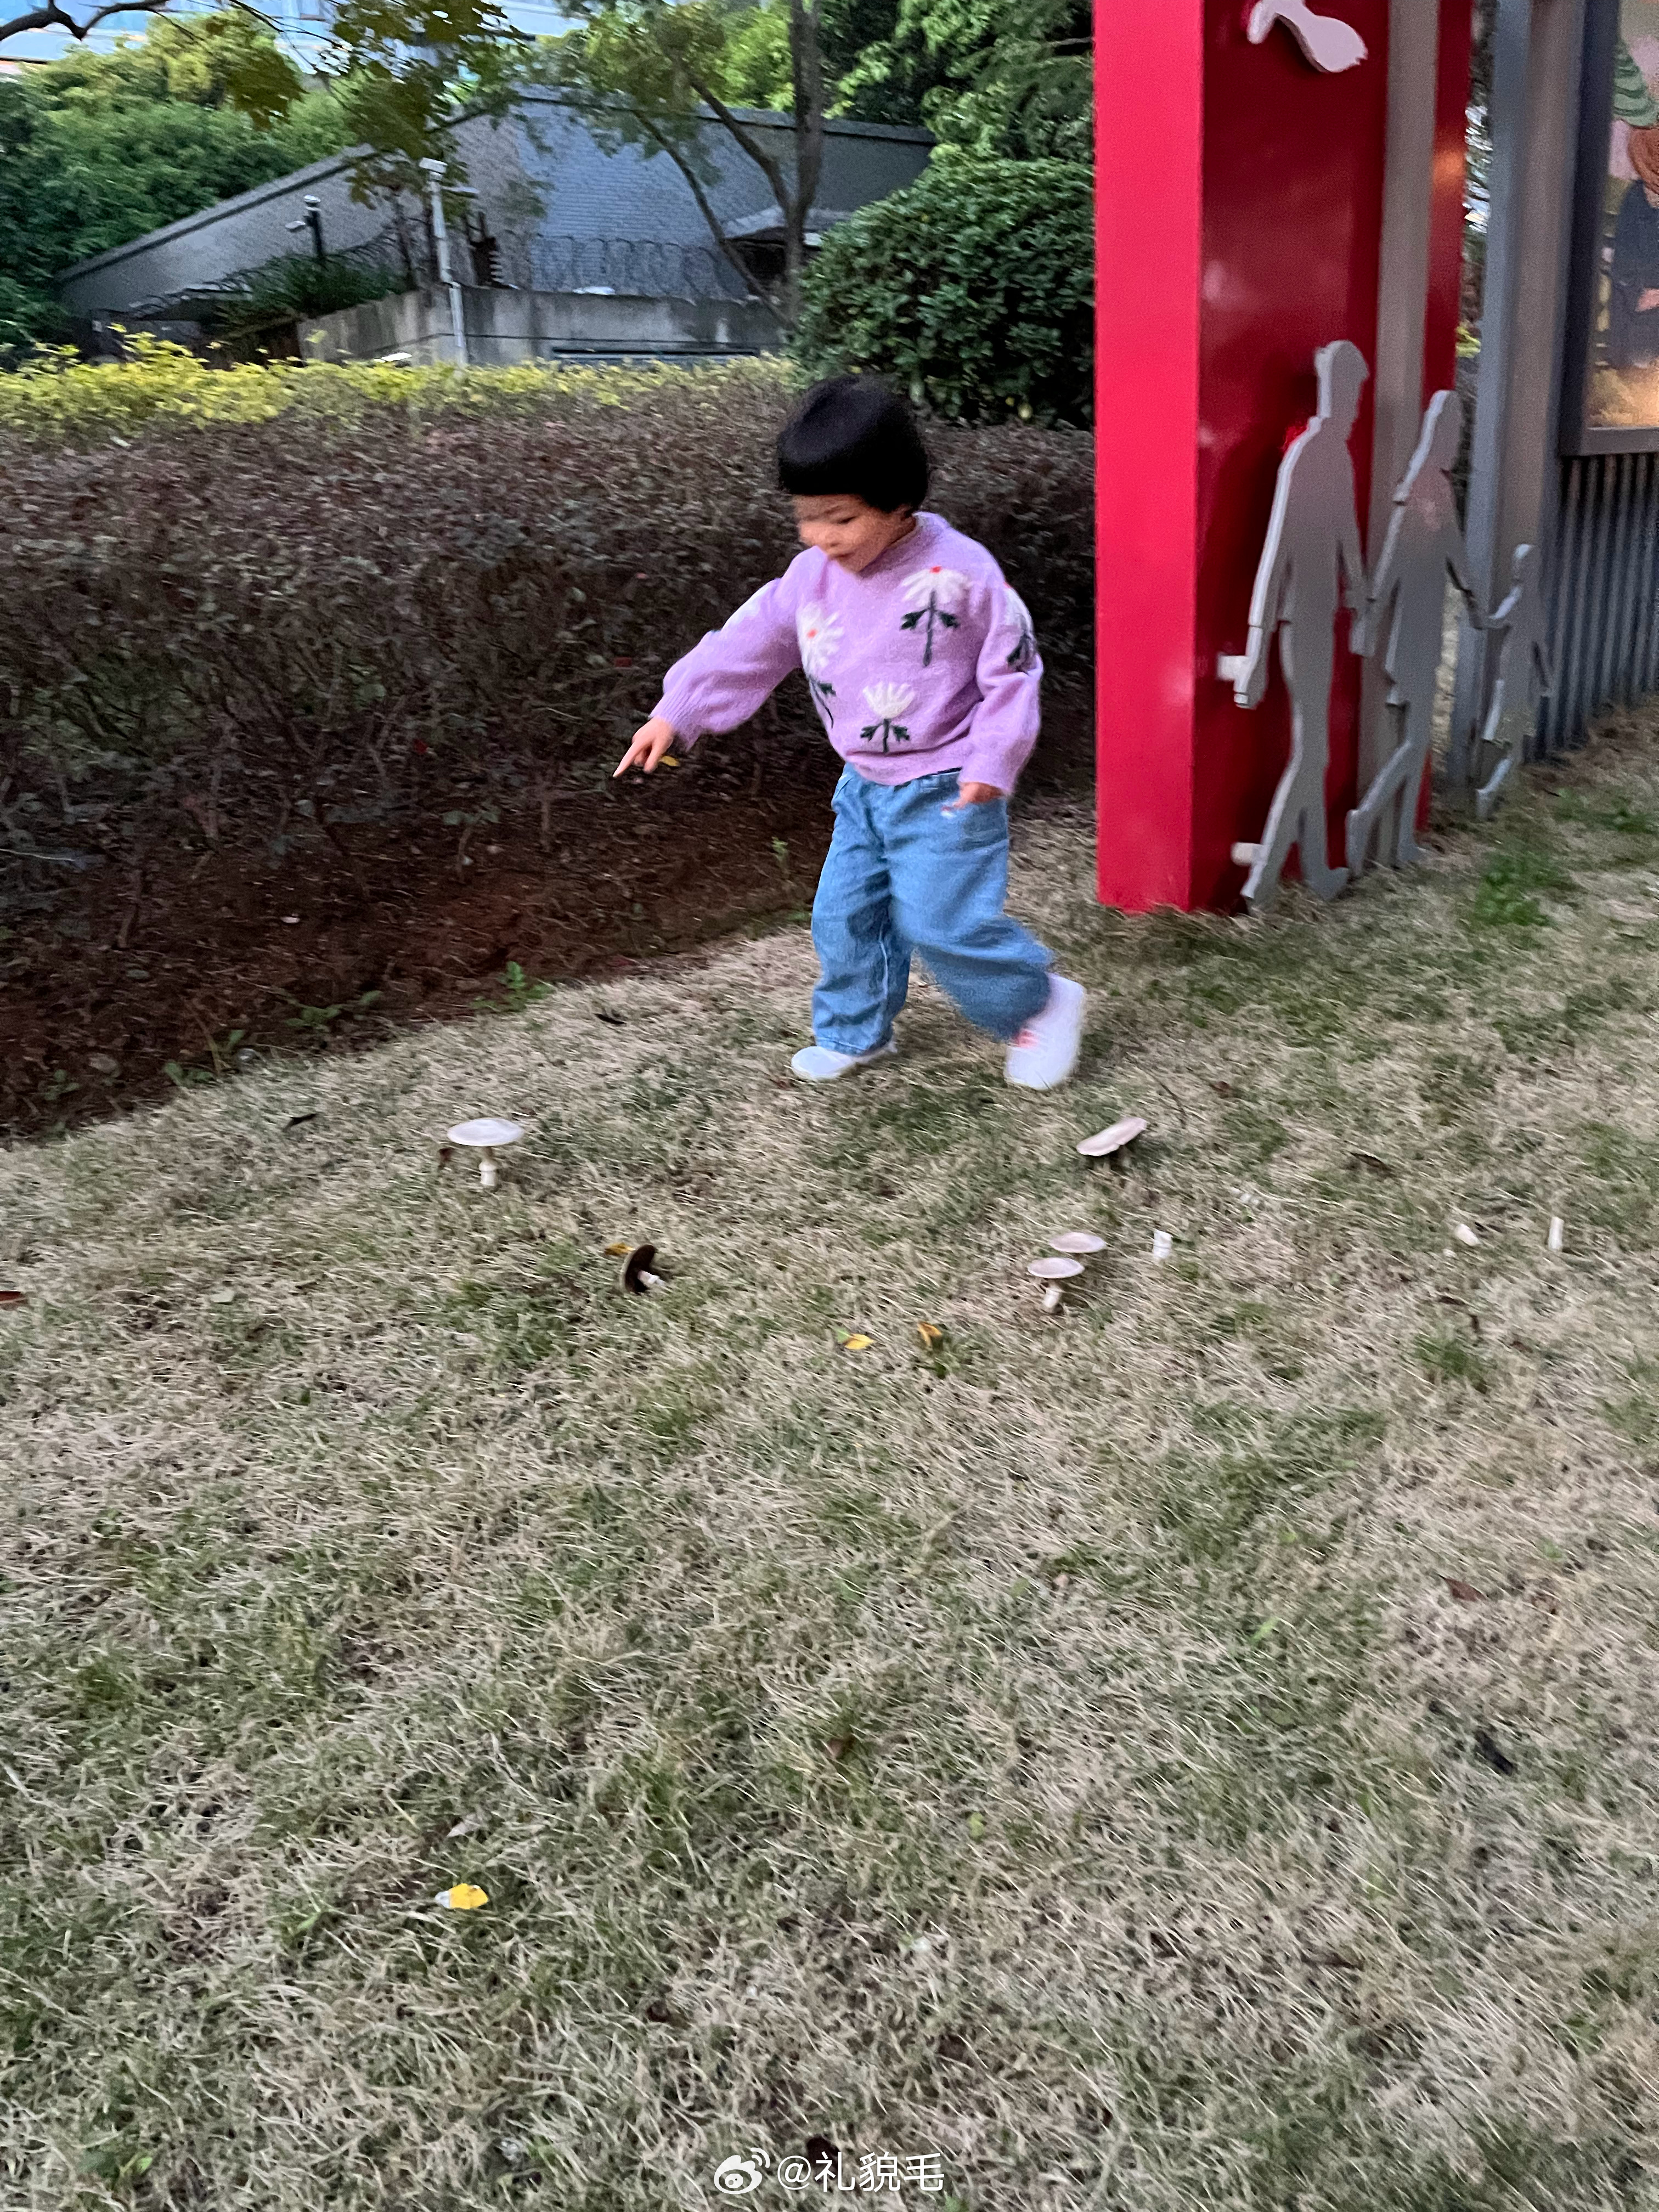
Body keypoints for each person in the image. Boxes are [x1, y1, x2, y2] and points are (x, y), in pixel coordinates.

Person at [613, 376, 1086, 1088]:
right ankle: (856, 1032)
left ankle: (1039, 1004)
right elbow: (749, 642)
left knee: (942, 923)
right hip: (864, 785)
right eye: (805, 518)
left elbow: (1012, 670)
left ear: (899, 502)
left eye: (839, 518)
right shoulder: (811, 576)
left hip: (949, 785)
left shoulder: (963, 573)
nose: (819, 537)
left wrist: (995, 756)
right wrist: (677, 711)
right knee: (844, 918)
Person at [1609, 124, 1659, 371]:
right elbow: (1625, 262)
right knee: (1641, 356)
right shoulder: (1636, 199)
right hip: (1640, 296)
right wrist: (1643, 295)